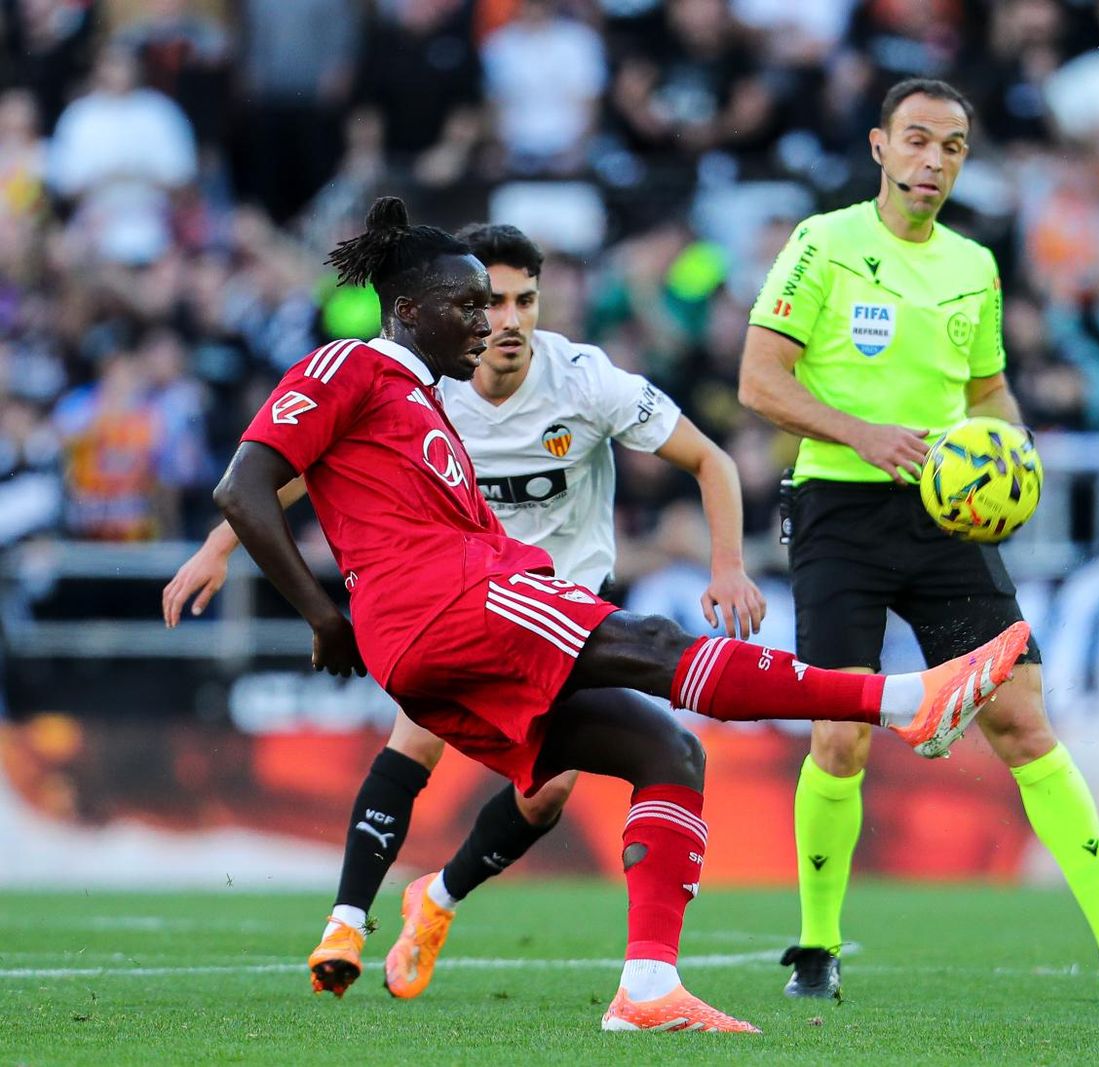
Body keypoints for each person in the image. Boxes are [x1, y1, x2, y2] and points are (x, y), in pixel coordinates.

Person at [209, 196, 1029, 1033]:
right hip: (453, 607)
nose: (488, 324)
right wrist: (317, 612)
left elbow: (335, 484)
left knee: (662, 751)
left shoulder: (445, 401)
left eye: (505, 303)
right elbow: (248, 484)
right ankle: (902, 701)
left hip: (460, 621)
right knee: (653, 647)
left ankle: (644, 987)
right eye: (469, 306)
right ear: (409, 311)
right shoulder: (352, 362)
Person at [165, 221, 766, 1000]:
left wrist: (727, 565)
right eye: (492, 300)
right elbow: (304, 457)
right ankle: (345, 920)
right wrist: (220, 544)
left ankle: (437, 897)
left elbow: (709, 458)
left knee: (547, 794)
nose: (507, 320)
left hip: (562, 607)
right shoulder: (424, 380)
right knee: (412, 739)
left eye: (524, 300)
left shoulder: (585, 380)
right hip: (456, 600)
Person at [738, 78, 1099, 1003]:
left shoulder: (974, 265)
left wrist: (1012, 450)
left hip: (946, 520)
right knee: (840, 738)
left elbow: (986, 393)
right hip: (839, 511)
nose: (932, 160)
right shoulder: (823, 244)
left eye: (951, 147)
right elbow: (759, 379)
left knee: (1023, 719)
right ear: (878, 147)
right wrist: (863, 436)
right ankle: (816, 949)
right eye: (917, 140)